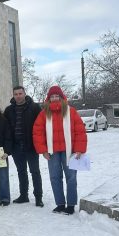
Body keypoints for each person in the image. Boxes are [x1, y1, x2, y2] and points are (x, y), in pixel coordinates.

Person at [33, 86, 87, 215]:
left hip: (70, 151)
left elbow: (80, 131)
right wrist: (43, 150)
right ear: (48, 99)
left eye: (57, 96)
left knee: (71, 178)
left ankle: (71, 205)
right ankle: (60, 204)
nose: (54, 98)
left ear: (62, 97)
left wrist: (79, 149)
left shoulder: (71, 111)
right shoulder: (44, 114)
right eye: (52, 96)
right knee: (55, 178)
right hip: (52, 152)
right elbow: (37, 133)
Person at [4, 86, 44, 207]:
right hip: (16, 146)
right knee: (21, 172)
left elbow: (41, 126)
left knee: (35, 171)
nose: (18, 96)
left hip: (31, 146)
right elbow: (6, 128)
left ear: (25, 94)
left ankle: (38, 197)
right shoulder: (9, 110)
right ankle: (23, 195)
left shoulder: (35, 107)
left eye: (20, 93)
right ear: (13, 95)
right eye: (15, 94)